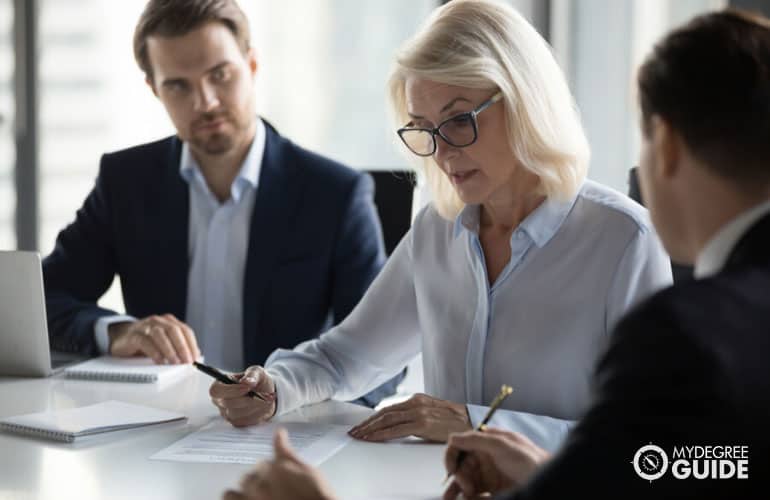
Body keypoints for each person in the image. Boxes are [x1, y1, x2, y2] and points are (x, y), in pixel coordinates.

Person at [223, 8, 770, 500]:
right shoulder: (437, 231)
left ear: (524, 102)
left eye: (460, 121)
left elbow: (657, 456)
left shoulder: (624, 240)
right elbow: (346, 357)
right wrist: (275, 387)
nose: (441, 152)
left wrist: (476, 423)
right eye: (424, 130)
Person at [42, 0, 403, 408]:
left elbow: (382, 362)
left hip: (284, 433)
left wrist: (299, 400)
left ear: (251, 65)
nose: (206, 101)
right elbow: (40, 302)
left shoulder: (335, 194)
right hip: (155, 431)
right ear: (154, 89)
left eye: (220, 75)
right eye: (178, 85)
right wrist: (117, 332)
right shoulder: (125, 181)